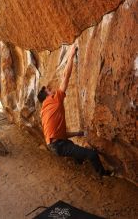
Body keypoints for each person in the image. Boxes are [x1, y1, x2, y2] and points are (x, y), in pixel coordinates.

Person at [38, 45, 112, 177]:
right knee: (92, 154)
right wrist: (71, 55)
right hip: (59, 146)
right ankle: (104, 174)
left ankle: (79, 160)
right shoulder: (53, 101)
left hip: (55, 145)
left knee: (71, 145)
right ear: (48, 96)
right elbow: (66, 77)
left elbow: (61, 134)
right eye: (49, 91)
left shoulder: (44, 109)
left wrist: (78, 133)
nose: (52, 90)